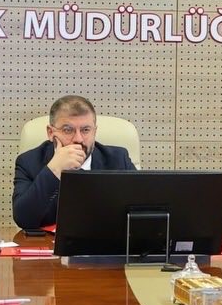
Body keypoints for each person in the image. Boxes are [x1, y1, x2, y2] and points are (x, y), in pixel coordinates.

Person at [12, 95, 136, 231]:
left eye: (85, 130)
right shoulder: (29, 162)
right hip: (51, 248)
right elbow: (24, 219)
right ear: (50, 132)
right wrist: (54, 169)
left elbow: (140, 212)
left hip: (106, 247)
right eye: (68, 130)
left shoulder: (118, 160)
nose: (78, 139)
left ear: (95, 131)